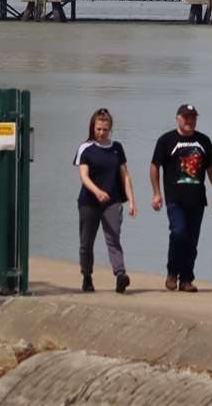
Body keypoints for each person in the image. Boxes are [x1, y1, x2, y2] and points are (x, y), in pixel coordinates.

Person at [149, 102, 212, 291]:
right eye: (186, 117)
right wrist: (156, 193)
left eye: (193, 117)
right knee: (179, 233)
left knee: (192, 241)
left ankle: (186, 279)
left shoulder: (204, 141)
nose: (190, 121)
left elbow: (211, 170)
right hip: (175, 199)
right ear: (178, 118)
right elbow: (154, 166)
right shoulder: (166, 140)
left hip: (197, 200)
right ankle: (172, 273)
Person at [74, 107, 136, 293]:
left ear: (110, 129)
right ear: (93, 127)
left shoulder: (117, 148)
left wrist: (132, 201)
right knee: (86, 243)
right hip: (89, 202)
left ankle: (120, 275)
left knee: (113, 238)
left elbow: (125, 175)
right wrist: (97, 191)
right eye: (98, 129)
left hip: (113, 201)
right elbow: (83, 176)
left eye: (105, 129)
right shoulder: (85, 148)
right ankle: (87, 276)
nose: (101, 133)